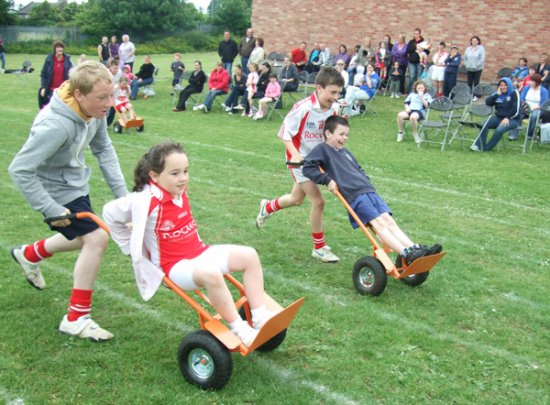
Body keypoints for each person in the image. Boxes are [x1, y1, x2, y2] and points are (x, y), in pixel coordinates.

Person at [102, 142, 275, 347]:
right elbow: (109, 213)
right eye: (175, 173)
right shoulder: (145, 199)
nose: (183, 178)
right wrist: (127, 247)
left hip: (198, 252)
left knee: (249, 255)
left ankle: (259, 316)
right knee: (211, 274)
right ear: (155, 176)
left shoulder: (177, 190)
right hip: (173, 266)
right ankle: (239, 327)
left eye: (185, 171)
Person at [8, 60, 128, 341]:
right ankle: (76, 318)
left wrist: (124, 198)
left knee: (82, 238)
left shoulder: (94, 113)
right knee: (96, 239)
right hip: (52, 189)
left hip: (74, 184)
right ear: (79, 95)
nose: (109, 103)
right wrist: (50, 208)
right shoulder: (56, 125)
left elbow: (104, 149)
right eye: (102, 98)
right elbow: (20, 169)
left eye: (111, 95)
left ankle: (29, 254)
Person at [302, 116, 441, 264]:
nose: (345, 138)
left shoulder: (346, 152)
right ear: (328, 134)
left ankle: (415, 248)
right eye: (341, 134)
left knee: (389, 220)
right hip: (354, 195)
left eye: (347, 135)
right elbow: (308, 167)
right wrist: (327, 180)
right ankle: (406, 253)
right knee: (379, 223)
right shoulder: (322, 149)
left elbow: (358, 168)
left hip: (368, 191)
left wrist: (366, 181)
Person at [255, 67, 345, 263]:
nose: (335, 96)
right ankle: (319, 247)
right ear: (319, 88)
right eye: (332, 92)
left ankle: (267, 207)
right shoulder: (303, 107)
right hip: (300, 161)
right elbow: (284, 132)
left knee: (296, 199)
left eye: (338, 92)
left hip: (318, 159)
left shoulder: (334, 109)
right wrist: (295, 153)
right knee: (318, 201)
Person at [470, 77, 520, 152]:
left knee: (499, 130)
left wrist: (507, 118)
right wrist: (496, 94)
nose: (503, 87)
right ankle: (479, 145)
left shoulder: (514, 93)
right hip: (498, 117)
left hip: (512, 119)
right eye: (501, 85)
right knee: (484, 124)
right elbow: (488, 103)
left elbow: (515, 109)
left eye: (505, 85)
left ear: (509, 85)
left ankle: (487, 148)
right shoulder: (498, 94)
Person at [509, 74, 548, 141]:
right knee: (516, 114)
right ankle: (513, 135)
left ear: (537, 82)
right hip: (525, 107)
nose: (530, 82)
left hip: (537, 108)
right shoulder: (527, 88)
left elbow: (544, 103)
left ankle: (530, 134)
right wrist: (524, 105)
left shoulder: (543, 90)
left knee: (534, 116)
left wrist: (538, 107)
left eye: (533, 81)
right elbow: (522, 98)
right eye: (531, 81)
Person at [39, 40, 72, 109]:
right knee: (48, 108)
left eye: (61, 47)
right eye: (58, 47)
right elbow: (43, 74)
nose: (60, 49)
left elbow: (71, 75)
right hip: (51, 90)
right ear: (55, 49)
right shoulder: (49, 60)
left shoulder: (67, 60)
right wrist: (43, 88)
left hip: (63, 90)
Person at [407, 28, 427, 92]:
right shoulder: (411, 42)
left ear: (419, 34)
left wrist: (422, 49)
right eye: (414, 33)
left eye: (417, 33)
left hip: (419, 62)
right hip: (411, 62)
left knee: (419, 77)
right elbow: (408, 50)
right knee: (412, 76)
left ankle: (417, 91)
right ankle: (409, 90)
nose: (415, 34)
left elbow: (427, 51)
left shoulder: (423, 42)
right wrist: (416, 47)